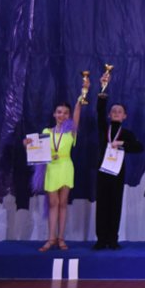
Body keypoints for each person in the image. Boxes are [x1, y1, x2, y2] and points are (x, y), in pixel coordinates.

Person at [93, 72, 144, 250]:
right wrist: (103, 88)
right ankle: (101, 239)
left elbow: (139, 147)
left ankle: (113, 239)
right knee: (102, 205)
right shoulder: (103, 128)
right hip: (102, 171)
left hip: (117, 172)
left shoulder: (127, 134)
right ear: (109, 115)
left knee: (115, 205)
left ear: (125, 116)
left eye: (119, 112)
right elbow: (99, 111)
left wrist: (122, 144)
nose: (116, 113)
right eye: (113, 111)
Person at [26, 97, 83, 251]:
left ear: (69, 115)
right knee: (53, 203)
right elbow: (37, 151)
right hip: (51, 168)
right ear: (54, 114)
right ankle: (51, 238)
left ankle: (61, 238)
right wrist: (28, 144)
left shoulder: (71, 132)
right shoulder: (46, 132)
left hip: (65, 167)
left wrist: (80, 101)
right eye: (59, 112)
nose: (62, 115)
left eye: (65, 113)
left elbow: (77, 113)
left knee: (63, 203)